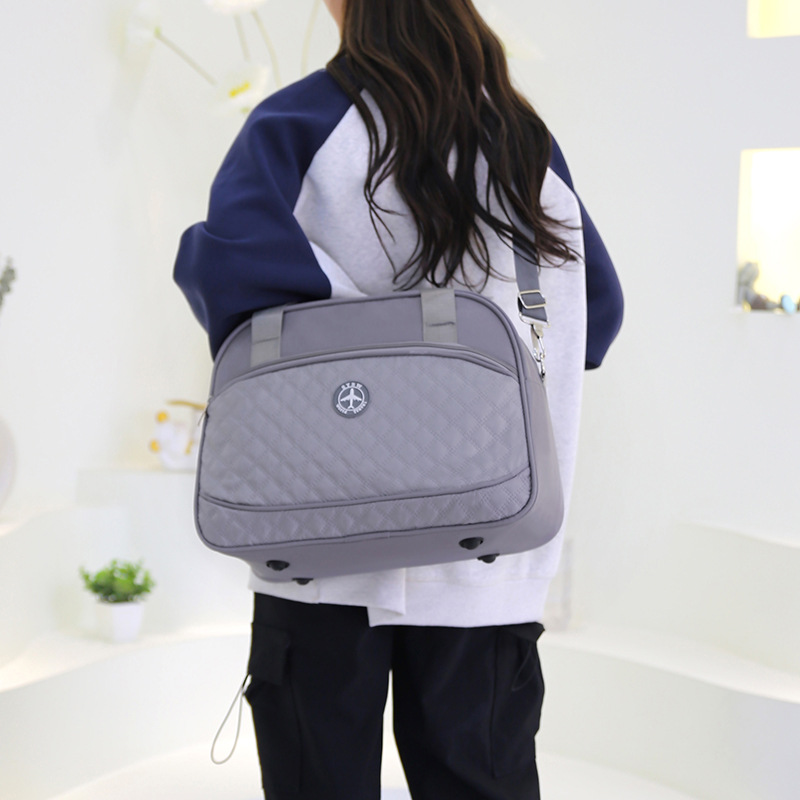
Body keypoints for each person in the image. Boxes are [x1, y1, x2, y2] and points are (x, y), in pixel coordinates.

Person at [174, 1, 623, 797]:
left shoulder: (297, 125)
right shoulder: (521, 142)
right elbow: (596, 319)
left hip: (318, 544)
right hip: (487, 546)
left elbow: (234, 276)